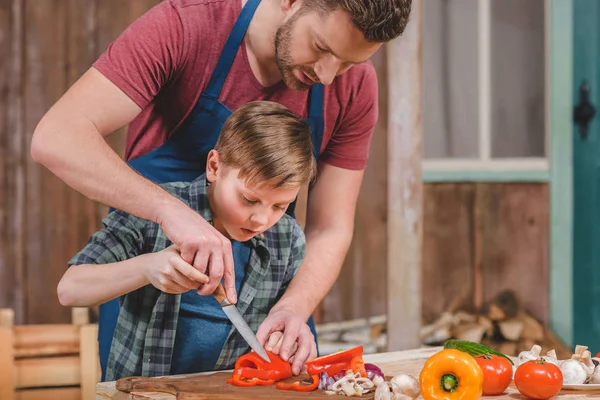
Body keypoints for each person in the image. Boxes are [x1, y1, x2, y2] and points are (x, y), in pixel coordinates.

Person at [31, 0, 412, 381]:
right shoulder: (187, 26)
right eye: (322, 48)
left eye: (348, 62)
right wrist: (175, 214)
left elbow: (330, 227)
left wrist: (293, 308)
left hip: (267, 308)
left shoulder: (353, 86)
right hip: (154, 308)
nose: (329, 76)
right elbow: (57, 137)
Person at [57, 101, 318, 381]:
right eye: (249, 199)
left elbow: (284, 321)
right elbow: (69, 290)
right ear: (214, 167)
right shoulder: (153, 212)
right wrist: (147, 268)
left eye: (279, 206)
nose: (261, 220)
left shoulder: (287, 239)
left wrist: (286, 336)